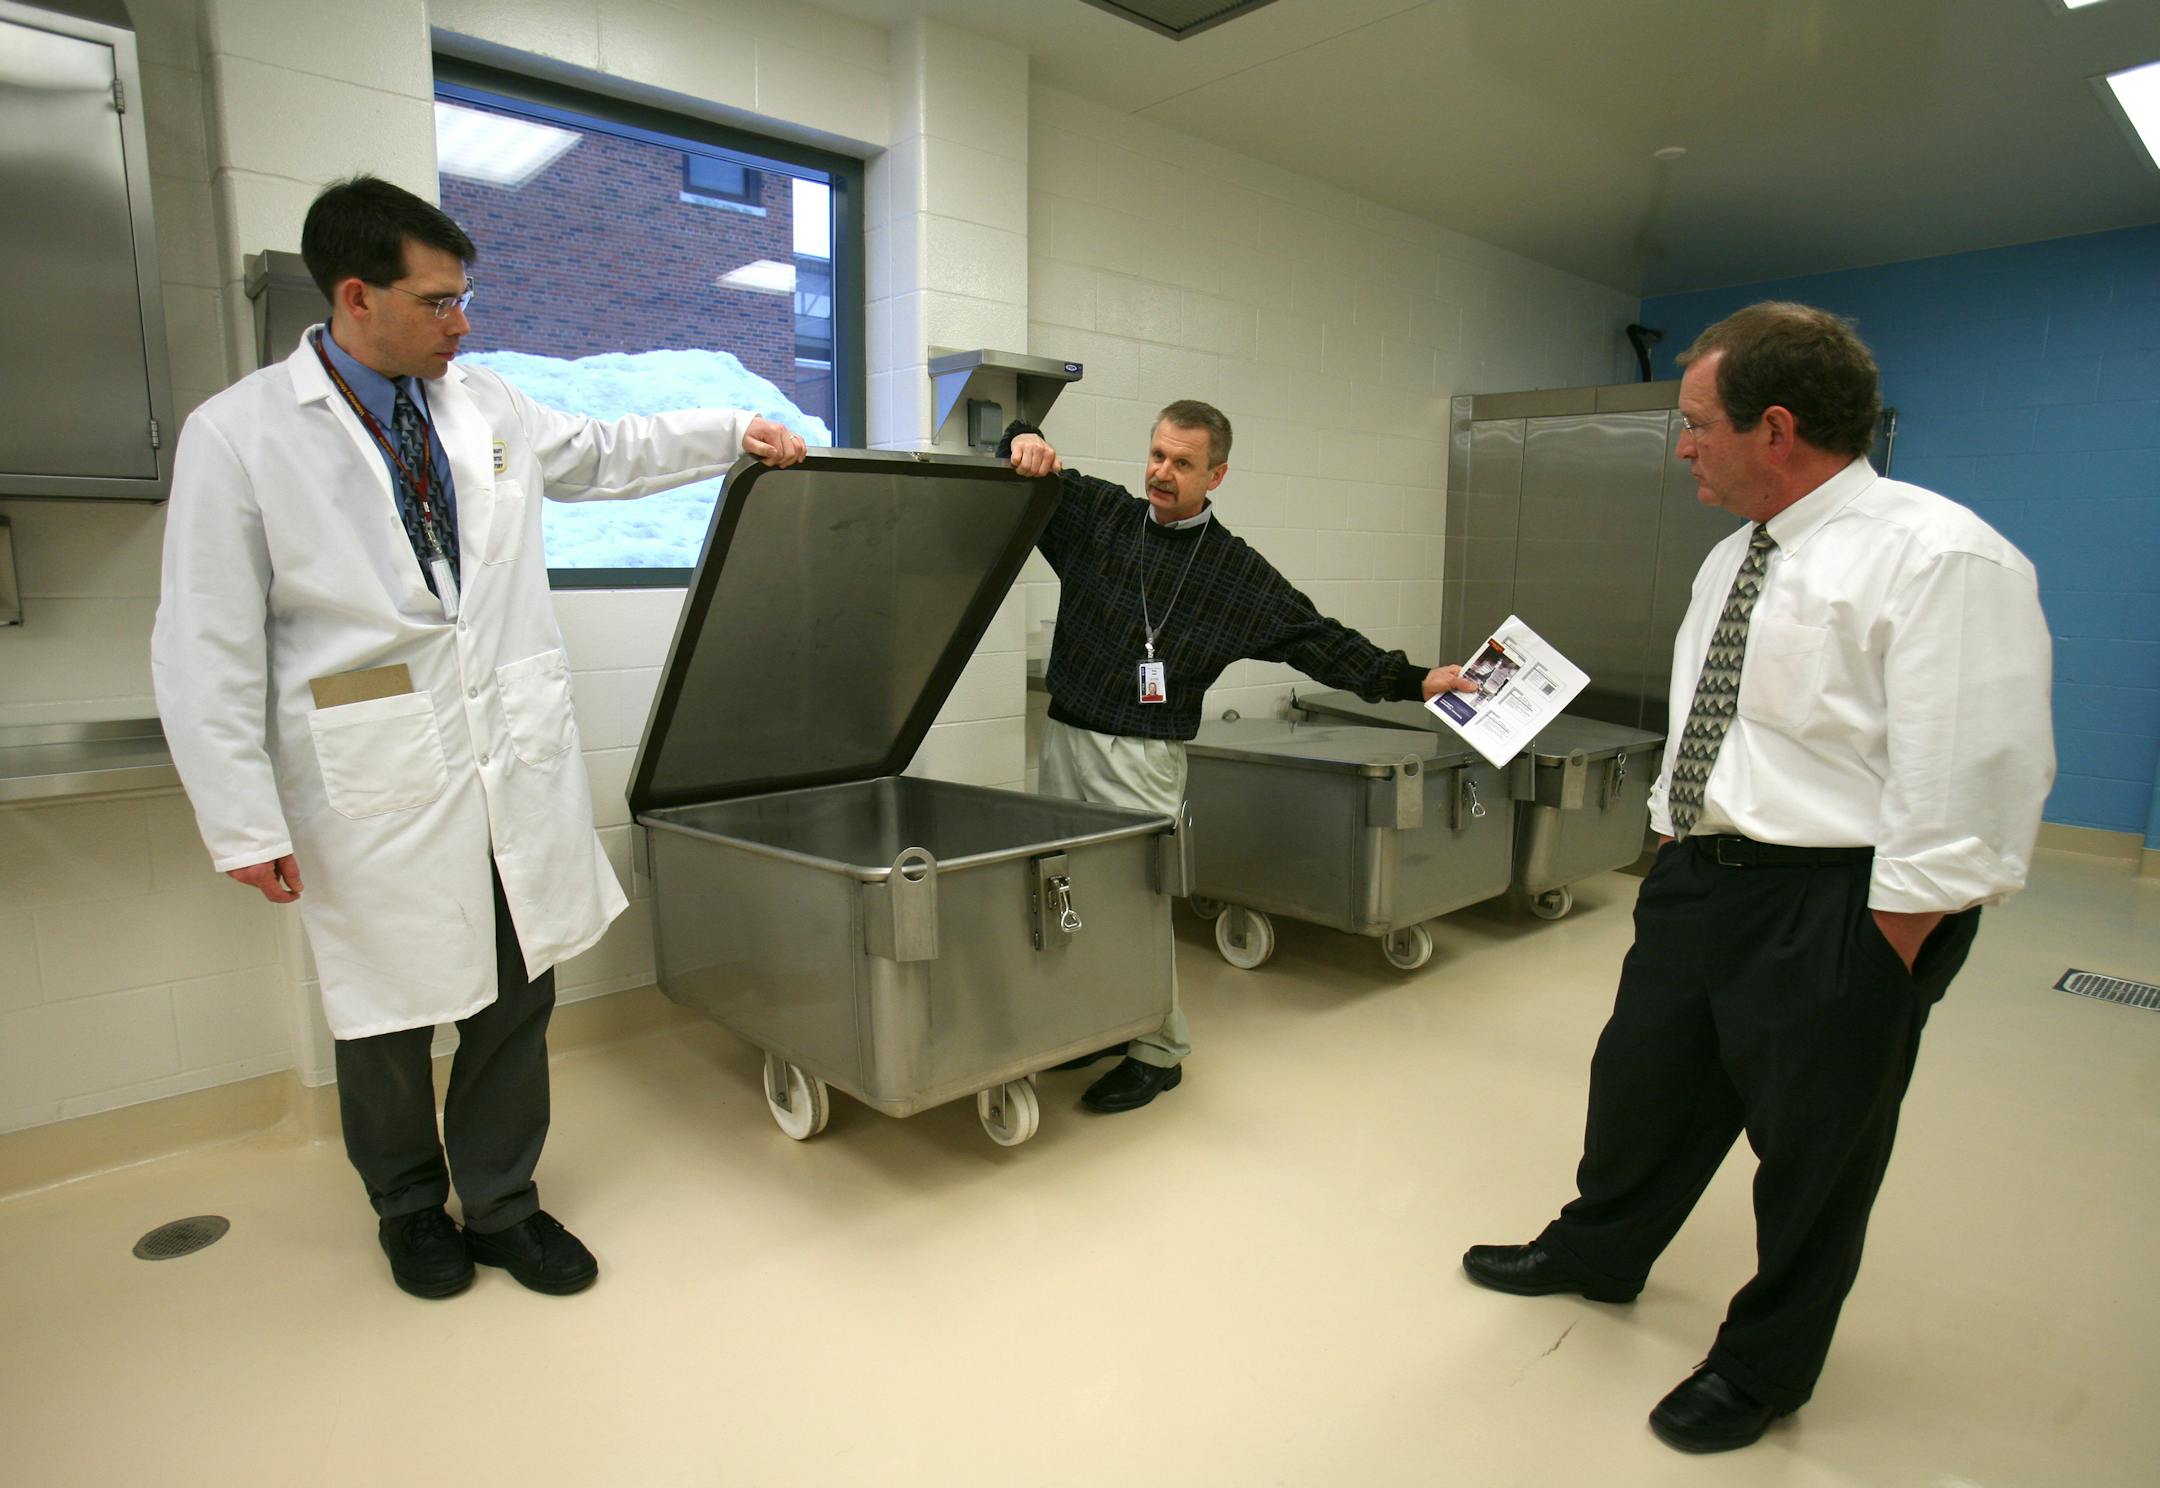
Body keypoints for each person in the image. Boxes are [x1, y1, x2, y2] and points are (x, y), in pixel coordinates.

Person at [150, 175, 807, 1301]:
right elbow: (203, 642)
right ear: (356, 297)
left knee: (516, 994)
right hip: (370, 778)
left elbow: (604, 451)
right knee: (388, 1017)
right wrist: (241, 818)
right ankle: (409, 1208)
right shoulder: (240, 435)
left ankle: (503, 1203)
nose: (465, 323)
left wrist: (730, 433)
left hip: (508, 757)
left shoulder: (484, 405)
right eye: (439, 302)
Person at [1460, 302, 2054, 1452]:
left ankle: (1766, 1363)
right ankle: (1601, 1247)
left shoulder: (1941, 556)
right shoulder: (1736, 556)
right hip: (1705, 879)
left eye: (1695, 426)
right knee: (1641, 1085)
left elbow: (1971, 780)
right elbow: (1720, 723)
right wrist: (1676, 837)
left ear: (1775, 427)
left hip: (1838, 904)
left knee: (1815, 1155)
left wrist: (1882, 951)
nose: (1682, 448)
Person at [1002, 402, 1476, 1114]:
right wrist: (1024, 440)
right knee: (1073, 896)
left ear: (1216, 473)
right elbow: (1020, 453)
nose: (1162, 474)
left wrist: (1414, 680)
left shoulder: (1234, 572)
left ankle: (1159, 1049)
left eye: (1183, 463)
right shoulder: (1099, 515)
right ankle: (1107, 1021)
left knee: (1134, 901)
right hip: (1065, 738)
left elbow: (1322, 642)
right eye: (1157, 455)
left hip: (1142, 756)